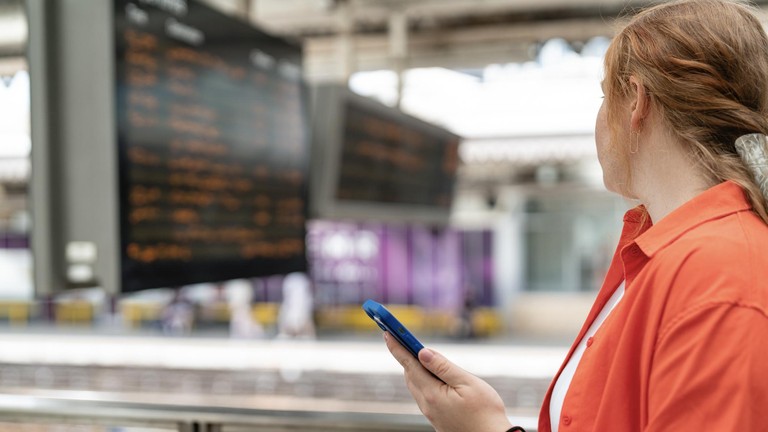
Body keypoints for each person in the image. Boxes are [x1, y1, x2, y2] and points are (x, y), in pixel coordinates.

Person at [384, 1, 768, 431]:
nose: (600, 117)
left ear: (637, 101)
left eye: (606, 96)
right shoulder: (665, 255)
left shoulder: (720, 276)